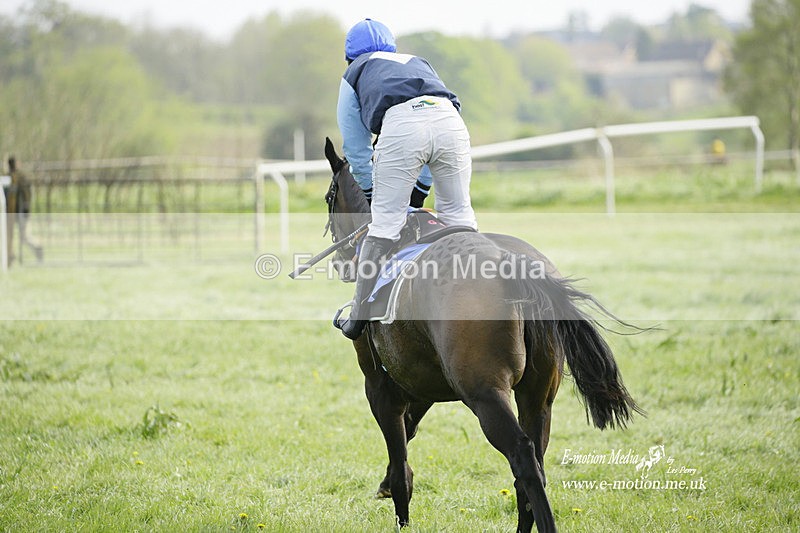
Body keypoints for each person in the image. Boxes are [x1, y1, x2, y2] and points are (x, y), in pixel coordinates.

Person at [333, 18, 478, 340]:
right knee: (459, 216)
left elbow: (356, 149)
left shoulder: (354, 72)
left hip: (402, 127)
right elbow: (433, 132)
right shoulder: (416, 62)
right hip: (451, 123)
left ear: (350, 56)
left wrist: (374, 196)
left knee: (384, 225)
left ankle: (358, 317)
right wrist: (418, 193)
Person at [3, 156, 43, 265]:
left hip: (21, 212)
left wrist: (26, 208)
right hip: (10, 212)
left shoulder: (21, 177)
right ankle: (9, 257)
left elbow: (27, 194)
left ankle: (38, 249)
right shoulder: (7, 177)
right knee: (8, 237)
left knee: (25, 236)